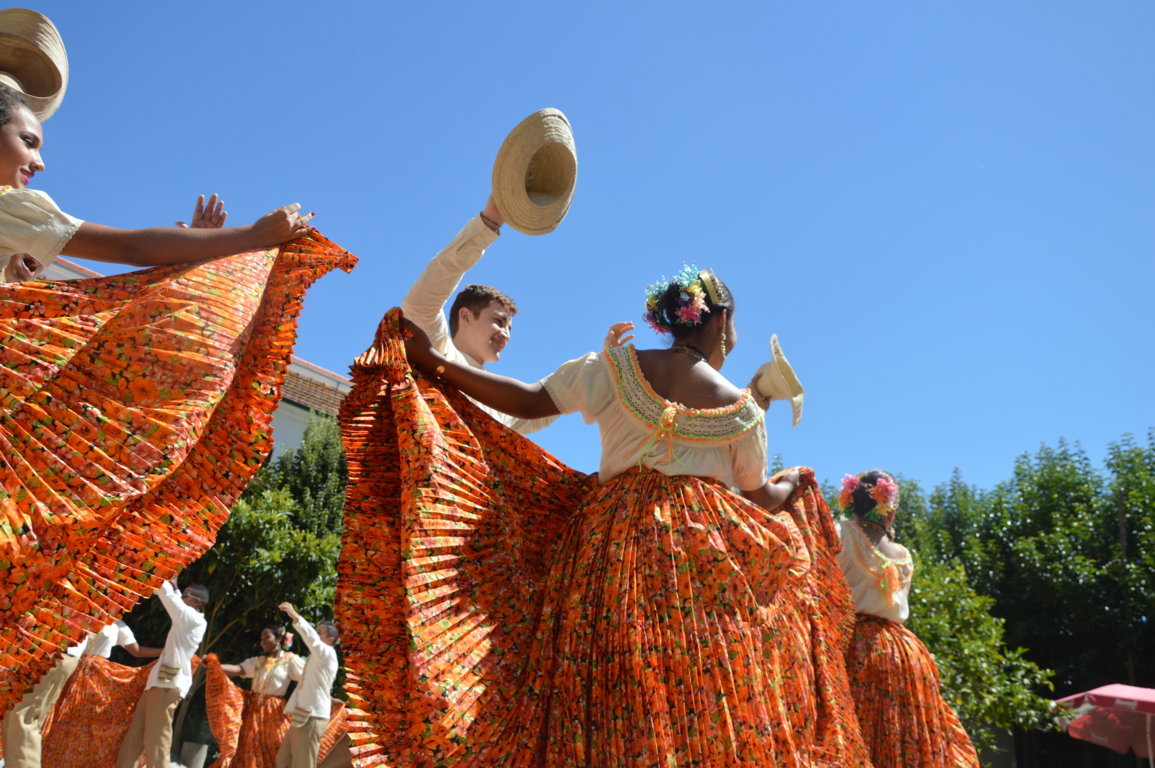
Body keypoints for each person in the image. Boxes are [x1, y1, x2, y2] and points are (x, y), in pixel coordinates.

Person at [335, 265, 870, 766]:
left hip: (607, 553)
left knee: (598, 689)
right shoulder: (745, 412)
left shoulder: (615, 368)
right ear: (721, 320)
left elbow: (528, 401)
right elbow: (758, 496)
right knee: (693, 698)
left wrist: (435, 363)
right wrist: (794, 483)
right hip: (699, 569)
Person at [0, 83, 313, 284]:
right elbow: (132, 248)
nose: (40, 162)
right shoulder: (9, 208)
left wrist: (196, 245)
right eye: (28, 142)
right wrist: (254, 235)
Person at [836, 470, 979, 767]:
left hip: (858, 650)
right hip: (905, 654)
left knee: (858, 737)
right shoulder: (902, 553)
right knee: (900, 738)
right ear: (889, 508)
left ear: (851, 501)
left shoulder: (841, 534)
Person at [399, 195, 555, 433]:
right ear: (465, 317)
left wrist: (609, 362)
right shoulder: (436, 348)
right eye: (499, 321)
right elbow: (422, 301)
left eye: (509, 328)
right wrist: (488, 223)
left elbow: (558, 397)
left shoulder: (502, 403)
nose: (506, 335)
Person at [114, 580, 208, 768]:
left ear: (197, 602)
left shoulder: (193, 619)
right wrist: (173, 587)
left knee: (157, 740)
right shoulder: (186, 617)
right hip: (157, 684)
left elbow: (170, 598)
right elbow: (174, 598)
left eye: (186, 595)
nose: (182, 597)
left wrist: (161, 578)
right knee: (135, 738)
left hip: (167, 685)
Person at [209, 625, 303, 768]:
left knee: (276, 745)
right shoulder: (259, 661)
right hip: (253, 710)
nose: (262, 642)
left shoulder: (290, 660)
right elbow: (240, 669)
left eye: (266, 637)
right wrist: (214, 665)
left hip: (274, 712)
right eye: (261, 639)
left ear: (278, 639)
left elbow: (308, 678)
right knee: (248, 746)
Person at [276, 603, 338, 768]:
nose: (315, 635)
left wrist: (296, 617)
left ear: (330, 640)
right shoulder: (316, 658)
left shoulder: (327, 653)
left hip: (313, 717)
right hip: (304, 715)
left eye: (320, 633)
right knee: (283, 761)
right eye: (315, 631)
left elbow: (312, 640)